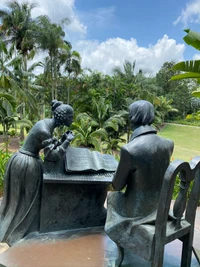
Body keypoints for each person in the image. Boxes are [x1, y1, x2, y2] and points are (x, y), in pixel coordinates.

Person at [0, 100, 74, 246]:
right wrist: (66, 142)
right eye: (70, 116)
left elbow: (49, 146)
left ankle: (19, 229)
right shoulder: (44, 129)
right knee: (27, 201)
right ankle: (19, 232)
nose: (72, 119)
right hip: (26, 164)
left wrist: (62, 140)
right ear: (63, 117)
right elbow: (51, 156)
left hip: (28, 160)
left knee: (24, 200)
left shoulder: (47, 124)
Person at [105, 100, 174, 248]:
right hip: (162, 207)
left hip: (139, 211)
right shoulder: (169, 143)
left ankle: (123, 241)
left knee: (112, 197)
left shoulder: (130, 149)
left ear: (133, 117)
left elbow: (117, 186)